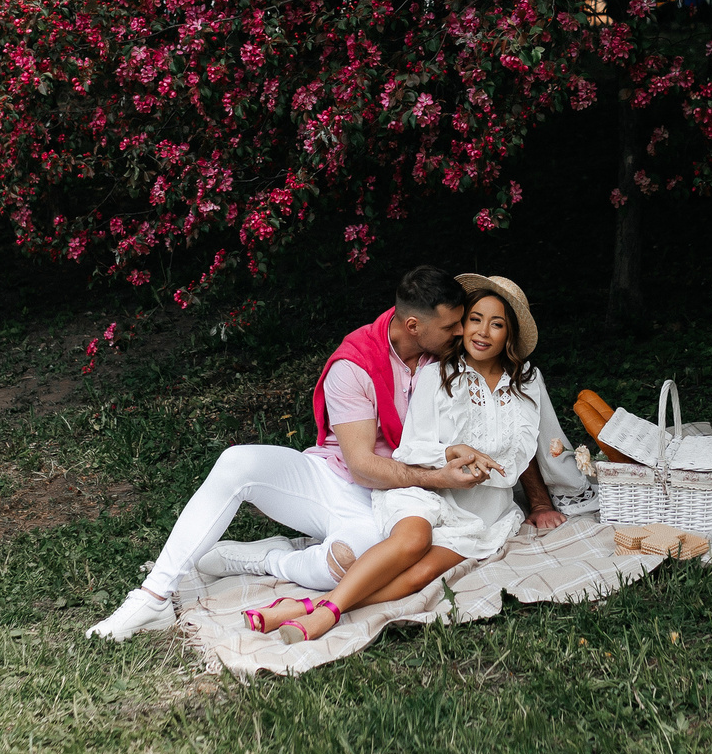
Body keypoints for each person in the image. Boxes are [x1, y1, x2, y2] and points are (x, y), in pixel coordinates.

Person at [89, 265, 563, 641]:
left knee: (346, 565)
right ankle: (153, 595)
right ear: (415, 325)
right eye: (455, 325)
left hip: (403, 494)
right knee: (237, 461)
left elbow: (510, 421)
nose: (464, 333)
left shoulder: (450, 359)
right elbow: (362, 465)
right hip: (351, 478)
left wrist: (537, 499)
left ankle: (266, 560)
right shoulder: (354, 365)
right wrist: (442, 476)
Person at [244, 274, 560, 645]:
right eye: (474, 319)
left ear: (510, 334)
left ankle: (306, 607)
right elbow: (410, 447)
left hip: (484, 509)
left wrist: (545, 500)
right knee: (412, 542)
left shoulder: (527, 381)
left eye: (497, 323)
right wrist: (449, 455)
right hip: (426, 488)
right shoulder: (439, 372)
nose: (481, 331)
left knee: (418, 577)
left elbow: (543, 444)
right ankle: (328, 616)